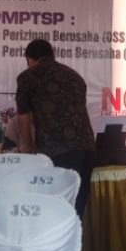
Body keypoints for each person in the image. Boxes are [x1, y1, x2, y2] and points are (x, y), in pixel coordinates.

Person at [15, 39, 96, 216]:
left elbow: (23, 116)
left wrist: (27, 147)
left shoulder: (27, 77)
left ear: (30, 58)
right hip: (87, 147)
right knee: (77, 206)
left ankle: (59, 235)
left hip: (58, 148)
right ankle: (75, 234)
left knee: (56, 207)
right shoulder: (75, 76)